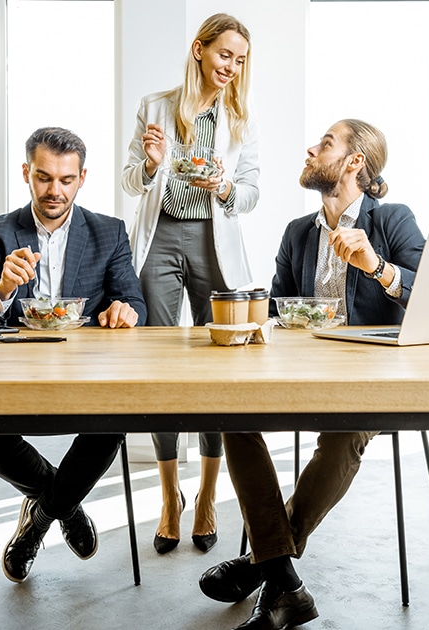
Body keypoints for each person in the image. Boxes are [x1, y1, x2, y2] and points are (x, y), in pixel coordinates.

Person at [199, 120, 426, 630]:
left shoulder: (392, 221)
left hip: (373, 377)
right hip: (300, 371)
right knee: (230, 414)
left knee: (344, 433)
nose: (311, 147)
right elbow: (279, 307)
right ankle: (282, 578)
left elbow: (428, 293)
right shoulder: (298, 233)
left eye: (326, 143)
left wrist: (377, 266)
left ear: (353, 163)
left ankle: (269, 563)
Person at [0, 127, 146, 583]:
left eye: (66, 180)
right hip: (11, 373)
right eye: (43, 178)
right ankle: (64, 504)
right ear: (26, 173)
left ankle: (38, 520)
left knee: (113, 422)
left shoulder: (108, 231)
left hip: (86, 373)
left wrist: (126, 311)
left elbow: (135, 302)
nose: (54, 191)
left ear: (82, 178)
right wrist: (3, 288)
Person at [121, 12, 259, 556]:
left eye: (241, 60)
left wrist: (225, 185)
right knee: (160, 364)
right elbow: (132, 181)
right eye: (225, 54)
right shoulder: (156, 107)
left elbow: (250, 193)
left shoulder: (241, 117)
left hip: (212, 241)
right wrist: (153, 164)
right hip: (160, 242)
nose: (232, 67)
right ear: (200, 49)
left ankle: (205, 495)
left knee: (217, 365)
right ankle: (168, 498)